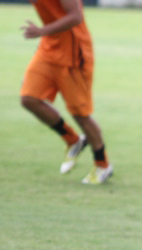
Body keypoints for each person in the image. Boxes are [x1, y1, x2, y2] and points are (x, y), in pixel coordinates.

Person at [19, 0, 113, 185]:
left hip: (73, 54)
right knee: (29, 98)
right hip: (48, 48)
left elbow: (75, 17)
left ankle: (103, 164)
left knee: (81, 115)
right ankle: (73, 140)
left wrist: (41, 31)